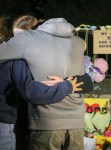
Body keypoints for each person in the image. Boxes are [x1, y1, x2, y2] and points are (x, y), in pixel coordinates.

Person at [0, 17, 92, 150]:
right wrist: (69, 84)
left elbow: (31, 91)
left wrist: (66, 85)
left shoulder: (28, 41)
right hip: (76, 121)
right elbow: (88, 82)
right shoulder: (77, 43)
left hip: (45, 121)